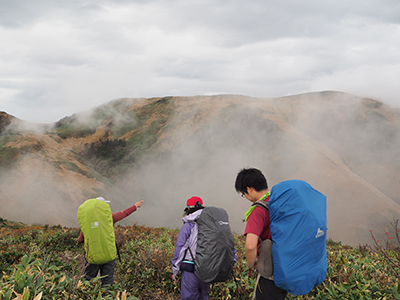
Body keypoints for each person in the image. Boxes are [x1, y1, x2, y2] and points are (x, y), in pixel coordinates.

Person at [235, 168, 287, 300]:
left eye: (243, 194)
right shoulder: (279, 202)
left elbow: (250, 246)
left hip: (269, 273)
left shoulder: (258, 210)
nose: (245, 197)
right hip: (286, 268)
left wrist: (252, 263)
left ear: (249, 189)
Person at [78, 196, 143, 286]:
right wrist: (135, 206)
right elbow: (124, 213)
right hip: (109, 254)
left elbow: (80, 240)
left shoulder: (87, 223)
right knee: (107, 282)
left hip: (93, 256)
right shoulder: (110, 217)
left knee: (87, 280)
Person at [171, 196, 211, 300]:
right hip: (208, 270)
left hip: (191, 270)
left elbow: (180, 249)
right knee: (204, 297)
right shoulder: (213, 224)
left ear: (189, 209)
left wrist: (175, 269)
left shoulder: (189, 226)